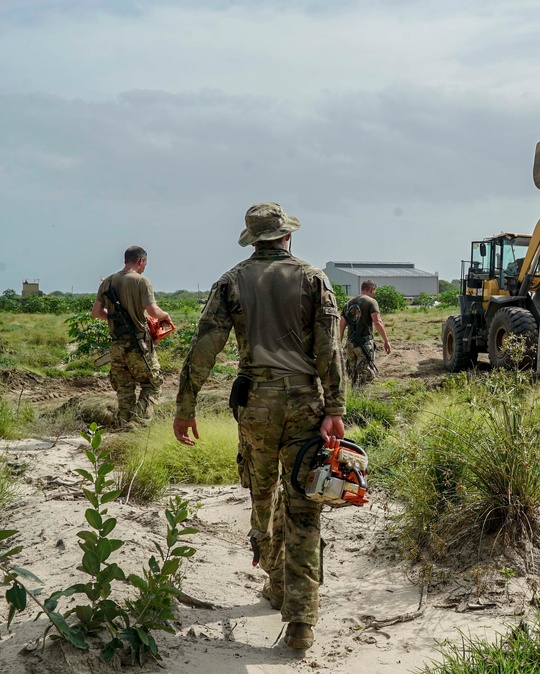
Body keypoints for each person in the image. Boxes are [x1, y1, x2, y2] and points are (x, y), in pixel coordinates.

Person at [173, 202, 346, 651]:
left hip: (256, 406)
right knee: (304, 507)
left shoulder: (230, 282)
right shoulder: (313, 278)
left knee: (262, 495)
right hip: (306, 404)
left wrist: (185, 406)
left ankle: (275, 585)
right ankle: (302, 620)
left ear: (253, 240)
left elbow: (204, 348)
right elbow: (331, 348)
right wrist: (335, 407)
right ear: (286, 236)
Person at [91, 246, 170, 428]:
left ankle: (123, 426)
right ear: (141, 261)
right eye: (145, 264)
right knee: (152, 384)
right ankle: (137, 424)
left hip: (117, 345)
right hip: (138, 344)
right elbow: (153, 311)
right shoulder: (142, 281)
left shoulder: (108, 282)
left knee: (125, 390)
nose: (144, 267)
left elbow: (96, 313)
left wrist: (112, 316)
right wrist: (164, 315)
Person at [340, 280, 392, 387]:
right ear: (372, 289)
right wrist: (386, 341)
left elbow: (341, 325)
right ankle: (360, 399)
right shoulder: (371, 302)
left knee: (353, 375)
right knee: (364, 375)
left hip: (350, 344)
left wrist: (338, 343)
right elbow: (377, 322)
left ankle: (354, 398)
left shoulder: (348, 303)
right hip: (364, 343)